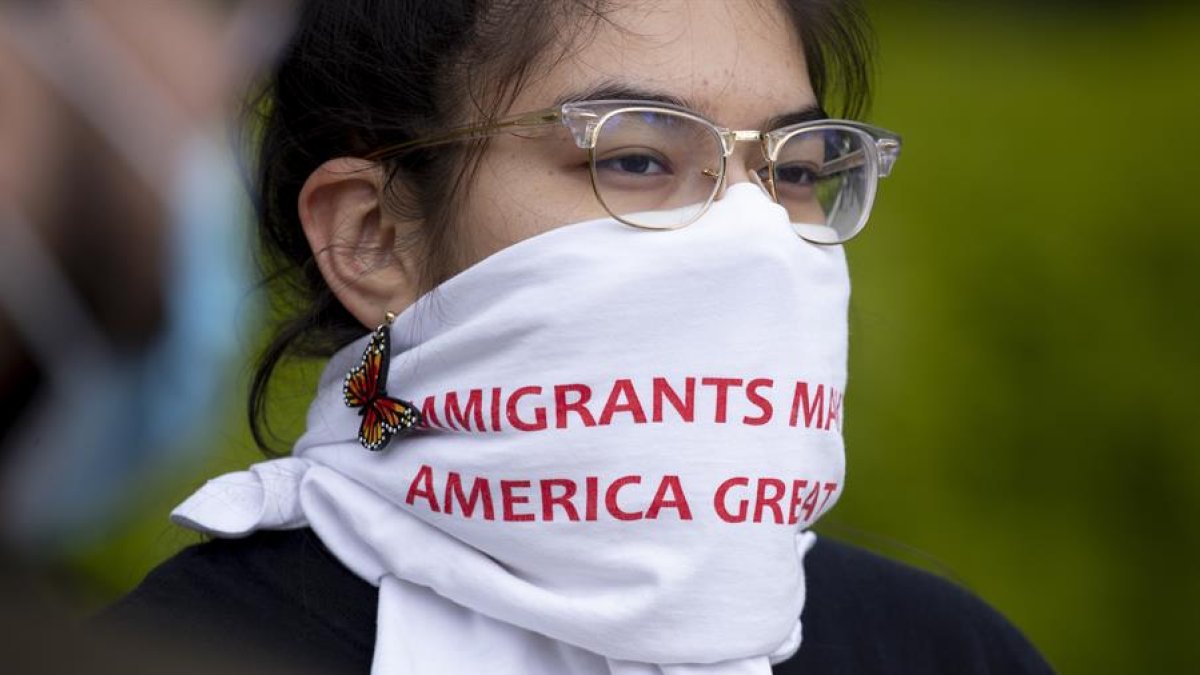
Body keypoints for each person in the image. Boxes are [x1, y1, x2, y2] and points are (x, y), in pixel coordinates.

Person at [103, 1, 1055, 673]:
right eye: (637, 156)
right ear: (373, 236)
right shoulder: (176, 652)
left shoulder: (944, 651)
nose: (755, 231)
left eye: (798, 170)